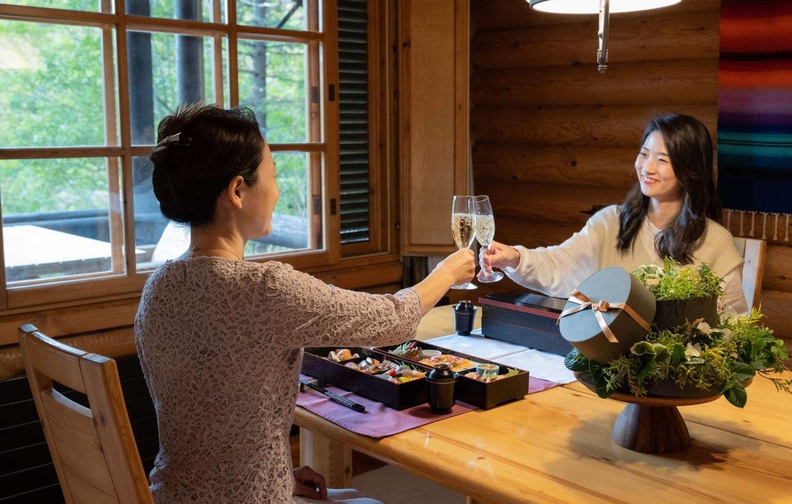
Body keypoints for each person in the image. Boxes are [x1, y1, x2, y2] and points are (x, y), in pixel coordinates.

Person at [134, 104, 475, 504]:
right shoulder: (265, 289)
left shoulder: (159, 286)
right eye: (274, 175)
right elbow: (393, 321)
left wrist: (276, 469)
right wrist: (449, 272)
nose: (277, 191)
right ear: (238, 191)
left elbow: (209, 416)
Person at [481, 114, 748, 314]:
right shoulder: (611, 223)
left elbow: (733, 323)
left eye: (662, 160)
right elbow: (560, 264)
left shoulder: (715, 241)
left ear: (689, 170)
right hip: (610, 363)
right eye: (644, 154)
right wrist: (514, 258)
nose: (647, 167)